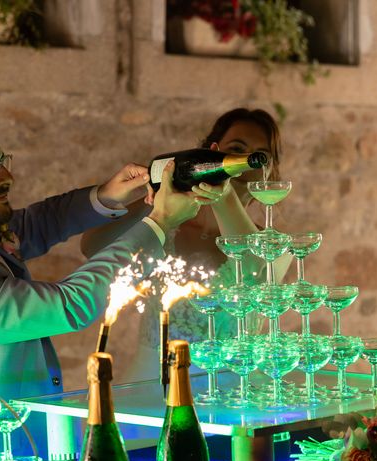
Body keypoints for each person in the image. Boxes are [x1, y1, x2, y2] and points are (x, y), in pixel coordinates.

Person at [0, 104, 205, 461]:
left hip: (7, 456)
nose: (5, 175)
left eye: (1, 159)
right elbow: (72, 304)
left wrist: (107, 195)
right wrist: (158, 224)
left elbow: (31, 226)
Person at [81, 107, 293, 382]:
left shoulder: (275, 246)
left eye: (258, 156)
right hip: (153, 383)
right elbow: (92, 247)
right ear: (213, 152)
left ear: (267, 169)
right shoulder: (164, 225)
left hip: (234, 391)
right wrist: (157, 200)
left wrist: (224, 196)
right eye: (236, 148)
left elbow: (256, 271)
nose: (245, 160)